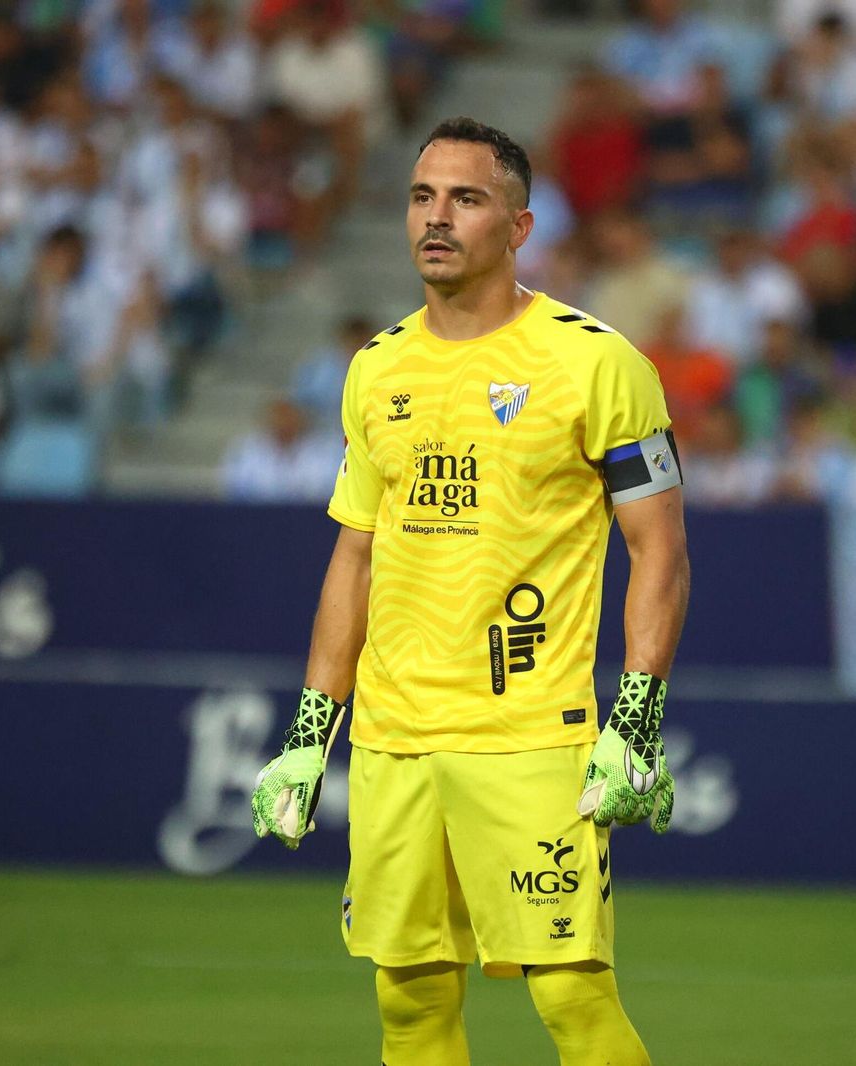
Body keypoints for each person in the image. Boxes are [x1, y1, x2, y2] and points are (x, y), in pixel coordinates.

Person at [248, 117, 688, 1066]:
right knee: (407, 1004)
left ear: (520, 226)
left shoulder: (598, 363)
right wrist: (305, 739)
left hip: (529, 737)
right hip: (394, 741)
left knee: (574, 999)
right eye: (421, 196)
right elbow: (355, 557)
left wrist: (638, 717)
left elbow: (660, 551)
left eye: (466, 198)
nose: (435, 218)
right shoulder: (375, 370)